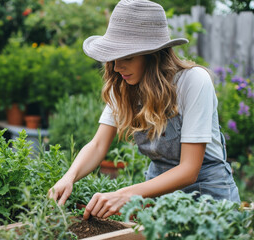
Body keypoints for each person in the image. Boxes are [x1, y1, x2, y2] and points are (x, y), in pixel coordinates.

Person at [48, 0, 240, 220]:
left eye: (127, 57)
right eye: (114, 57)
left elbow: (190, 169)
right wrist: (68, 178)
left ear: (153, 55)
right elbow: (98, 144)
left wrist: (125, 194)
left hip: (209, 196)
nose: (118, 67)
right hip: (158, 196)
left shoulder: (192, 81)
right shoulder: (122, 85)